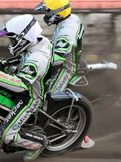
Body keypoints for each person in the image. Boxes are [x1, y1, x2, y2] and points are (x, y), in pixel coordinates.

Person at [0, 14, 52, 161]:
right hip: (26, 88)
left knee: (6, 135)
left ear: (24, 37)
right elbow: (22, 57)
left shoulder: (38, 59)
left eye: (13, 39)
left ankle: (38, 143)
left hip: (30, 98)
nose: (11, 42)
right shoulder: (38, 42)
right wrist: (4, 63)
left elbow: (20, 85)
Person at [35, 0, 95, 148]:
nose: (46, 14)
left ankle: (79, 138)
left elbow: (58, 58)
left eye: (48, 11)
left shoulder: (67, 31)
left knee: (48, 100)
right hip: (63, 61)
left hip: (65, 68)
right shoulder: (69, 18)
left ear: (58, 12)